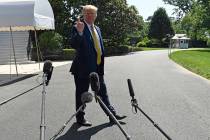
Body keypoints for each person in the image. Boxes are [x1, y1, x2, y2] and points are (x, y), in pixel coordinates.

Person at [70, 5, 126, 127]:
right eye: (87, 13)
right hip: (82, 69)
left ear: (96, 15)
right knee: (82, 94)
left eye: (92, 13)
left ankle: (112, 115)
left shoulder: (98, 29)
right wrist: (79, 32)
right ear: (83, 15)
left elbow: (98, 47)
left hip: (97, 68)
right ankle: (80, 118)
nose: (90, 15)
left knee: (102, 92)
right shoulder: (78, 26)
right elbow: (74, 44)